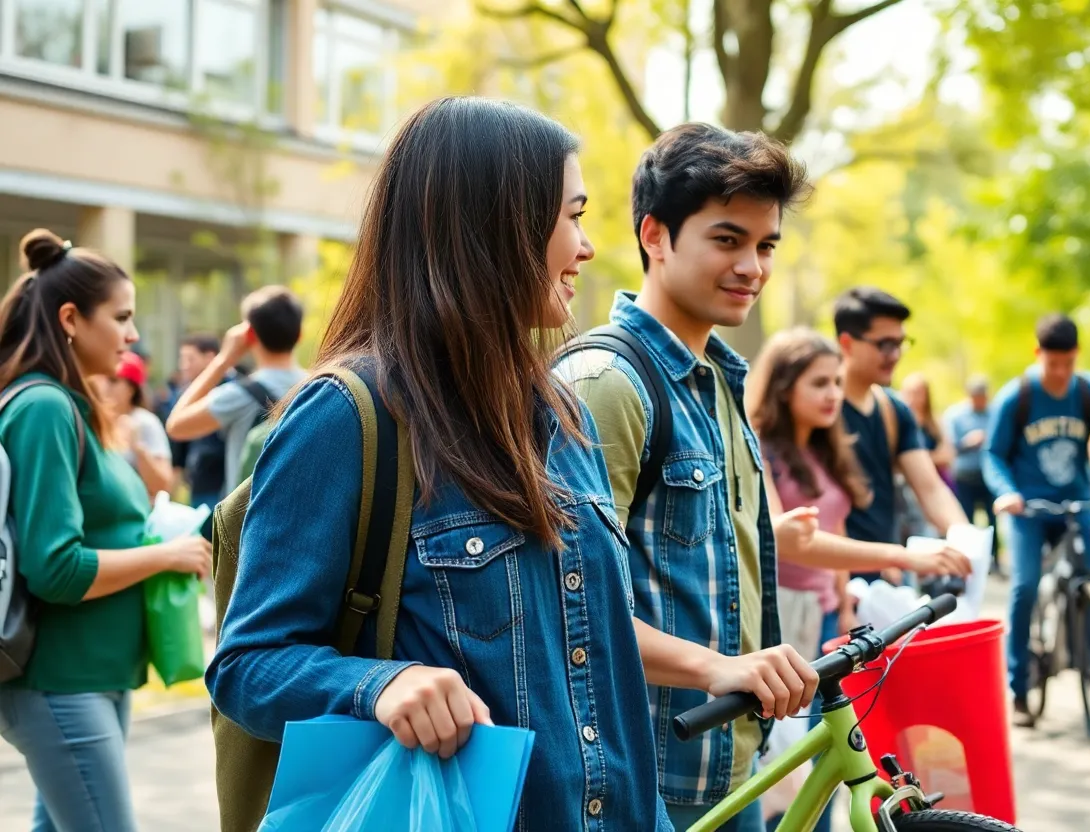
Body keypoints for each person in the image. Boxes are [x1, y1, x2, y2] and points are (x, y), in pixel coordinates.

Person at [204, 97, 802, 830]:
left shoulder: (562, 412)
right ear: (495, 226)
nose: (585, 248)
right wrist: (380, 686)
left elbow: (602, 668)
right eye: (572, 216)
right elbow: (246, 665)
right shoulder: (347, 415)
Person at [556, 123, 824, 832]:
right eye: (728, 240)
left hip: (728, 765)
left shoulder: (717, 382)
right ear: (655, 236)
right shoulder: (607, 384)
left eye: (766, 246)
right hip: (645, 781)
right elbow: (564, 607)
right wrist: (714, 669)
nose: (752, 268)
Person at [0, 229, 211, 832]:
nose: (133, 335)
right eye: (121, 317)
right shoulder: (43, 408)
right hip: (59, 683)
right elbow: (56, 568)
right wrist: (165, 556)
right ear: (71, 318)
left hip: (89, 678)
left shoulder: (68, 405)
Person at [746, 327, 970, 831]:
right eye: (819, 383)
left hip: (824, 607)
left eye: (836, 382)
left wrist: (844, 599)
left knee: (827, 744)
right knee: (778, 757)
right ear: (784, 388)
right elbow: (793, 540)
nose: (833, 395)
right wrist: (906, 557)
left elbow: (837, 524)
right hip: (775, 613)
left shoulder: (826, 447)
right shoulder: (761, 450)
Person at [983, 314, 1090, 727]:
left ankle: (1089, 659)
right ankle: (1019, 688)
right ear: (1038, 354)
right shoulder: (1015, 396)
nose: (1060, 372)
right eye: (1053, 363)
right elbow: (993, 454)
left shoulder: (1089, 390)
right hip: (1028, 508)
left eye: (1068, 363)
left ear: (1076, 357)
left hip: (1078, 501)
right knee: (1025, 585)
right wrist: (1006, 492)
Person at [833, 288, 969, 583]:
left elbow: (931, 488)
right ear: (847, 343)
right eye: (884, 344)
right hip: (830, 584)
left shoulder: (894, 411)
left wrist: (964, 539)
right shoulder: (821, 409)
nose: (894, 355)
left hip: (886, 577)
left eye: (900, 343)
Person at [165, 286, 306, 500]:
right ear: (300, 334)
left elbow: (176, 425)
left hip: (248, 521)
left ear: (249, 334)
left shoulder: (239, 395)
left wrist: (223, 360)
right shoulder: (320, 386)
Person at [944, 375, 1001, 573]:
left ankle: (994, 559)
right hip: (965, 475)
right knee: (967, 518)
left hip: (987, 476)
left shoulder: (995, 413)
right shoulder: (956, 415)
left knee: (992, 520)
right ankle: (969, 558)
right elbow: (949, 448)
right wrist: (967, 442)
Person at [168, 335, 227, 511]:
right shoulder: (185, 396)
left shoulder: (233, 389)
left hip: (226, 487)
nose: (183, 365)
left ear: (210, 357)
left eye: (190, 358)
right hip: (199, 485)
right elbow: (180, 448)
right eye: (182, 358)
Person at [103, 350, 174, 498]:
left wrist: (138, 448)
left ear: (131, 389)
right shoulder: (93, 419)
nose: (105, 387)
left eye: (113, 381)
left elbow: (163, 485)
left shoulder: (144, 422)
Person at [898, 372, 955, 541]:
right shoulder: (897, 420)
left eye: (918, 392)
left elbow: (947, 455)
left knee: (938, 532)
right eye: (910, 392)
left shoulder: (935, 422)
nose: (914, 397)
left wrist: (915, 460)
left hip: (936, 483)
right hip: (906, 490)